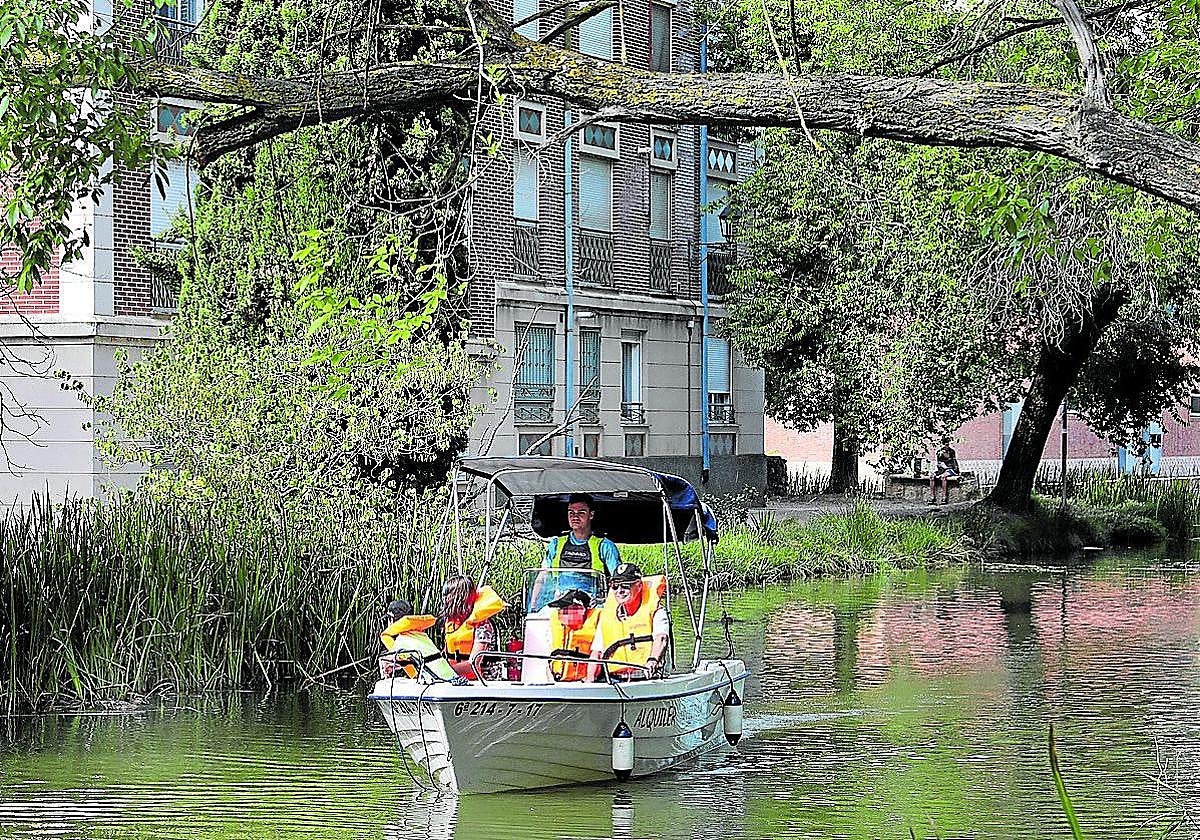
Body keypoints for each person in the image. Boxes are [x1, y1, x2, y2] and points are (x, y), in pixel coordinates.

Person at [532, 493, 621, 609]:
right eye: (571, 513)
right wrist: (533, 606)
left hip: (592, 607)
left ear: (591, 515)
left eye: (581, 513)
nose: (575, 516)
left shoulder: (605, 546)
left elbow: (618, 580)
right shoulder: (556, 544)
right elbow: (542, 576)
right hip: (560, 604)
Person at [587, 563, 669, 682]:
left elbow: (661, 639)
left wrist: (652, 661)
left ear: (639, 585)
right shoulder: (607, 617)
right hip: (614, 680)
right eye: (615, 586)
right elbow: (597, 652)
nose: (619, 591)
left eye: (625, 585)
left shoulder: (657, 611)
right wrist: (590, 682)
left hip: (647, 678)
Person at [442, 575, 507, 680]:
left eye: (448, 596)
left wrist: (443, 672)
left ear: (458, 599)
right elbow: (445, 655)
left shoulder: (482, 625)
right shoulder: (451, 624)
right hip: (455, 678)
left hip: (480, 682)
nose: (445, 600)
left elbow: (473, 664)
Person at [379, 598, 457, 681]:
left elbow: (390, 662)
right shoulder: (422, 636)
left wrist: (387, 664)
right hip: (452, 678)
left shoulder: (401, 641)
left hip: (439, 683)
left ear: (391, 620)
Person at [546, 588, 600, 682]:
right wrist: (551, 681)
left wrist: (590, 680)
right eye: (562, 609)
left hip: (584, 681)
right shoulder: (555, 622)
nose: (562, 612)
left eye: (567, 608)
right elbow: (549, 653)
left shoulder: (597, 620)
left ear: (582, 609)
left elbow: (598, 653)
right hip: (557, 680)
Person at [929, 440, 960, 505]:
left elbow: (953, 463)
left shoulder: (951, 451)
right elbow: (939, 464)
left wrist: (947, 467)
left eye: (947, 445)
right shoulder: (939, 452)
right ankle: (932, 497)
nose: (946, 446)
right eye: (945, 445)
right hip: (942, 469)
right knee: (932, 476)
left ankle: (944, 497)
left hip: (951, 469)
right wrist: (941, 468)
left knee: (943, 477)